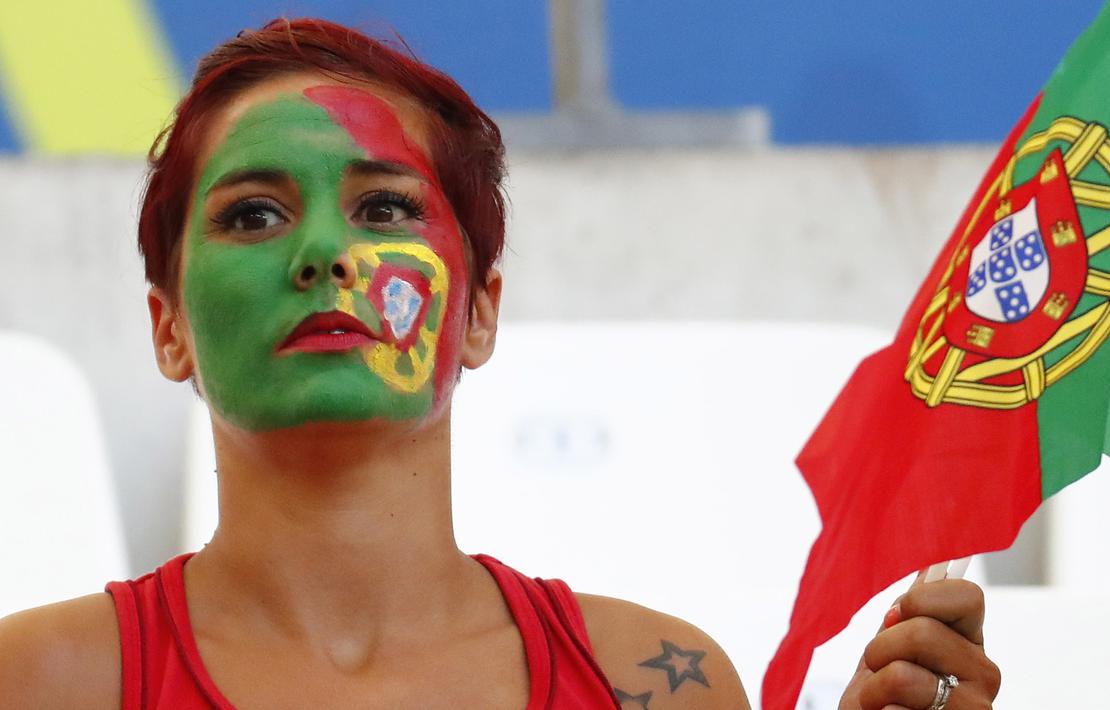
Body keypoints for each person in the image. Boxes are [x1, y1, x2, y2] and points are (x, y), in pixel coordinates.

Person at [0, 18, 1000, 709]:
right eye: (253, 214)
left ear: (480, 310)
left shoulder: (657, 680)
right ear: (166, 323)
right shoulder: (42, 680)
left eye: (385, 208)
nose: (328, 256)